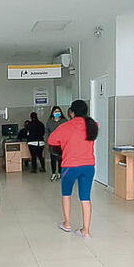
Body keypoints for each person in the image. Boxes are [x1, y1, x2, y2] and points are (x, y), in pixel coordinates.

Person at [48, 100, 98, 238]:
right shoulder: (93, 125)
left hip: (70, 166)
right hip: (88, 166)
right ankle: (86, 231)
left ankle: (67, 223)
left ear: (72, 112)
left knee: (66, 194)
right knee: (85, 198)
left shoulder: (65, 126)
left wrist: (64, 143)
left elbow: (51, 140)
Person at [45, 106, 67, 181]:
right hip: (52, 144)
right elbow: (47, 133)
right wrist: (47, 142)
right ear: (52, 113)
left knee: (61, 159)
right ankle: (53, 173)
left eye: (58, 111)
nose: (57, 113)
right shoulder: (49, 122)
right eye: (55, 112)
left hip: (62, 144)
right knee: (53, 159)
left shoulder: (64, 121)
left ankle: (60, 173)